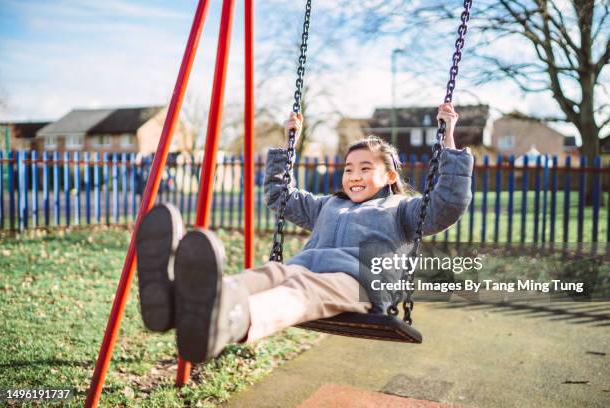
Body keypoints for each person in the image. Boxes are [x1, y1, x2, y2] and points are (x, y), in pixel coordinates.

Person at [135, 103, 473, 363]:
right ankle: (177, 301)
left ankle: (234, 318)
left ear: (388, 177)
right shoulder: (329, 205)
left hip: (359, 284)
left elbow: (447, 204)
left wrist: (448, 138)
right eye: (349, 169)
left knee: (301, 287)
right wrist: (287, 145)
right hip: (309, 268)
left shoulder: (402, 210)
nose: (354, 176)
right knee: (275, 272)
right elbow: (280, 197)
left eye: (365, 168)